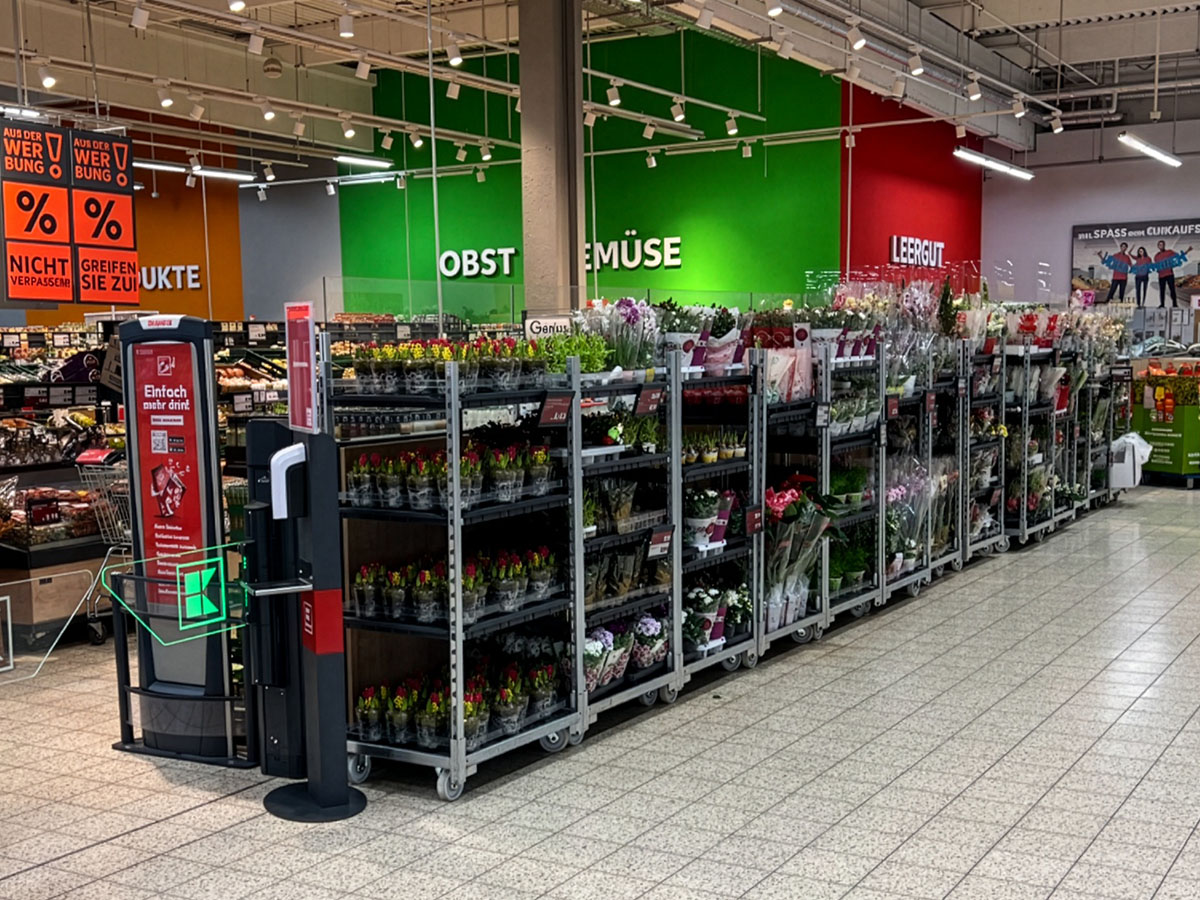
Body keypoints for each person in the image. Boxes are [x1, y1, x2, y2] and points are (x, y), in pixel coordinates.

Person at [1154, 240, 1193, 307]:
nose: (1161, 246)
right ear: (1158, 246)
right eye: (1159, 245)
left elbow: (1179, 257)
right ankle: (1162, 304)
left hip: (1169, 274)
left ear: (1164, 245)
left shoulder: (1169, 252)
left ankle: (1174, 304)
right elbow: (1156, 266)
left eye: (1162, 244)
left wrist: (1187, 251)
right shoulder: (1156, 256)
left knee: (1172, 290)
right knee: (1162, 291)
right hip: (1161, 276)